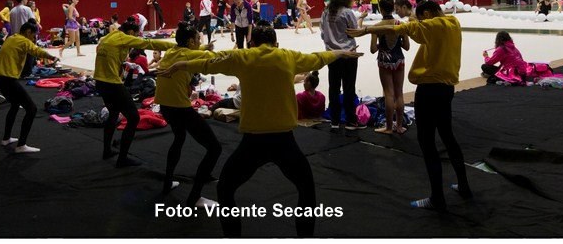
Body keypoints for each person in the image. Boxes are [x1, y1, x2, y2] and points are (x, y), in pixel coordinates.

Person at [159, 21, 362, 237]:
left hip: (253, 143)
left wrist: (180, 65)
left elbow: (208, 62)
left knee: (225, 188)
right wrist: (341, 52)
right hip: (284, 142)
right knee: (307, 189)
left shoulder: (242, 57)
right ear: (276, 43)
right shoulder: (288, 56)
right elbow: (319, 57)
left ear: (252, 43)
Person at [348, 0, 472, 211]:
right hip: (446, 89)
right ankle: (464, 187)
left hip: (429, 90)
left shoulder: (433, 25)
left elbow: (399, 28)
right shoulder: (453, 23)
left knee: (427, 142)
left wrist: (367, 30)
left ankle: (437, 198)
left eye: (422, 17)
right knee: (448, 136)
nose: (421, 22)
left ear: (428, 14)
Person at [155, 22, 221, 207]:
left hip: (165, 106)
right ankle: (195, 198)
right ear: (191, 41)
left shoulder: (172, 51)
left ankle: (168, 182)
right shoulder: (189, 54)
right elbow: (216, 58)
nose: (200, 41)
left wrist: (204, 47)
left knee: (179, 137)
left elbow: (191, 52)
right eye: (198, 39)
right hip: (180, 109)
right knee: (215, 148)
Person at [94, 17, 175, 167]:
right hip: (112, 84)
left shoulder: (107, 37)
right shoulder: (123, 38)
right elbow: (149, 43)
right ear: (131, 32)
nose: (136, 38)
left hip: (100, 82)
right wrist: (176, 45)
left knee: (113, 113)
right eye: (136, 35)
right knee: (133, 118)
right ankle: (122, 159)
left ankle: (107, 150)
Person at [0, 21, 60, 153]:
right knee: (32, 109)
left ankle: (6, 138)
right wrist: (52, 57)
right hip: (7, 80)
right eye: (34, 35)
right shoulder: (24, 41)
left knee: (15, 104)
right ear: (28, 32)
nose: (34, 39)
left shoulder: (11, 37)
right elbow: (36, 50)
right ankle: (21, 145)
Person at [320, 0, 362, 131]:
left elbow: (323, 34)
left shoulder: (326, 12)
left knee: (334, 87)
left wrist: (332, 42)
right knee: (349, 87)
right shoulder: (347, 12)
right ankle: (350, 121)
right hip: (348, 54)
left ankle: (335, 121)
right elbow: (354, 31)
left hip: (332, 55)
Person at [370, 0, 410, 134]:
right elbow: (407, 46)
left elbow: (372, 49)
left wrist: (381, 45)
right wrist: (397, 42)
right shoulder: (400, 24)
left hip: (384, 61)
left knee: (388, 93)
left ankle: (388, 127)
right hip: (399, 59)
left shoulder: (376, 27)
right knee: (399, 93)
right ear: (393, 8)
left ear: (381, 10)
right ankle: (399, 126)